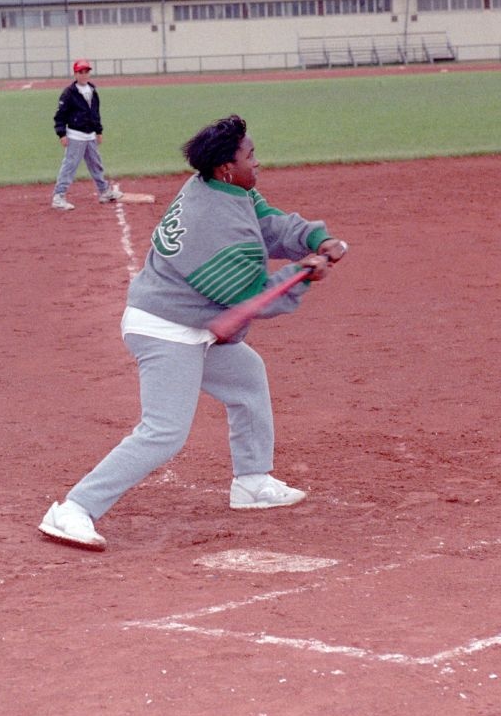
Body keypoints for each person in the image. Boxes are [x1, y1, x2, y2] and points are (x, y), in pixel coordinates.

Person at [39, 114, 350, 550]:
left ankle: (252, 481)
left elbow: (269, 225)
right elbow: (254, 296)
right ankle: (74, 509)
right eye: (250, 156)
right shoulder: (216, 230)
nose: (257, 163)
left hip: (189, 320)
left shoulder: (219, 188)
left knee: (246, 377)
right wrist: (303, 274)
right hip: (166, 330)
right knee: (164, 431)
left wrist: (315, 240)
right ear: (227, 166)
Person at [51, 58, 123, 210]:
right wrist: (61, 134)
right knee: (70, 165)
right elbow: (60, 115)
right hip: (76, 135)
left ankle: (104, 192)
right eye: (80, 72)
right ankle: (59, 196)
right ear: (75, 74)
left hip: (90, 135)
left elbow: (95, 113)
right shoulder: (69, 93)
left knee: (96, 164)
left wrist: (99, 131)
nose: (84, 74)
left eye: (86, 71)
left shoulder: (92, 90)